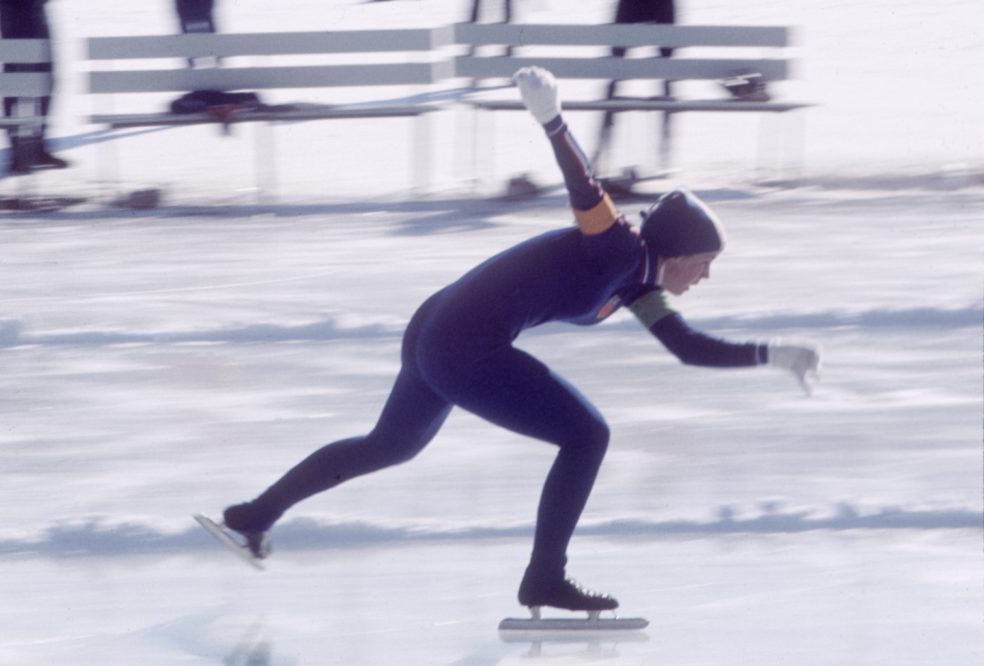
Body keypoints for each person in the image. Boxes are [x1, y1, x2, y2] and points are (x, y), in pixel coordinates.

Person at [218, 67, 820, 614]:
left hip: (437, 330)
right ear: (679, 251)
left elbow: (688, 348)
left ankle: (252, 517)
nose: (707, 275)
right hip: (461, 342)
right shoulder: (619, 248)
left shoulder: (640, 283)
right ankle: (544, 580)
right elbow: (587, 192)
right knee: (588, 436)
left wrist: (776, 355)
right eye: (705, 261)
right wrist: (552, 118)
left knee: (390, 446)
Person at [593, 0, 677, 173]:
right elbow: (671, 52)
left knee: (615, 73)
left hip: (630, 4)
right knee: (668, 72)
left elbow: (615, 54)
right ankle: (665, 153)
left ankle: (601, 150)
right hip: (662, 5)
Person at [0, 0, 67, 173]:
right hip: (15, 11)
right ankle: (19, 152)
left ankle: (32, 149)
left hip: (29, 10)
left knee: (42, 80)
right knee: (16, 83)